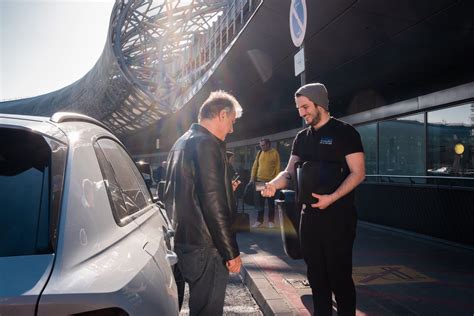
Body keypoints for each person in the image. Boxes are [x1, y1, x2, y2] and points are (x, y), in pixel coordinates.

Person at [261, 83, 365, 316]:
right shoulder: (301, 138)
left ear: (321, 104)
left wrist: (332, 198)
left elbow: (359, 173)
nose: (301, 112)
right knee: (316, 277)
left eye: (305, 107)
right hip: (308, 218)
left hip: (339, 218)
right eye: (299, 108)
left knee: (339, 277)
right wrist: (273, 184)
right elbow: (288, 173)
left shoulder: (345, 133)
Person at [164, 90, 243, 315]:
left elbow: (179, 193)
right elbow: (213, 204)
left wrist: (225, 187)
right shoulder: (208, 144)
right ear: (221, 114)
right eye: (232, 121)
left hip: (181, 243)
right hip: (206, 247)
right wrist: (231, 252)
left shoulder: (180, 143)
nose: (232, 129)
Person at [250, 138, 280, 228]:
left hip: (270, 182)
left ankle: (271, 221)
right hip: (259, 181)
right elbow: (255, 166)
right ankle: (259, 221)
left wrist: (276, 182)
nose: (261, 147)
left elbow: (277, 168)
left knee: (271, 202)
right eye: (260, 145)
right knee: (260, 203)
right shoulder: (259, 153)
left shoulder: (275, 153)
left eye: (263, 145)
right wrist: (252, 178)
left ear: (268, 144)